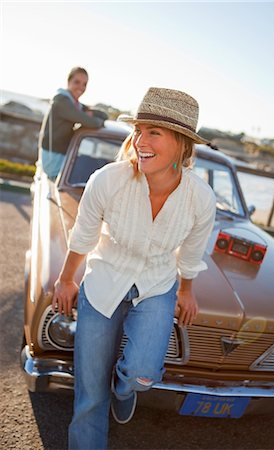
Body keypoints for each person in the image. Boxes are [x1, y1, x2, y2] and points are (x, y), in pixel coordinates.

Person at [52, 87, 216, 450]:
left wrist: (187, 290)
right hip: (104, 280)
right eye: (138, 130)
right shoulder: (108, 180)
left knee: (142, 375)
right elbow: (83, 235)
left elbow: (190, 253)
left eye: (153, 132)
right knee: (89, 395)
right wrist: (66, 280)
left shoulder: (200, 199)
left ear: (182, 144)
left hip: (156, 285)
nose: (140, 140)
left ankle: (123, 389)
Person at [39, 66, 107, 179]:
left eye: (84, 84)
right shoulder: (62, 101)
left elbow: (103, 115)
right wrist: (89, 118)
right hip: (53, 160)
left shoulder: (75, 104)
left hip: (63, 156)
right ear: (68, 82)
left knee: (96, 165)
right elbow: (93, 123)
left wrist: (89, 115)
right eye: (77, 82)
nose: (81, 87)